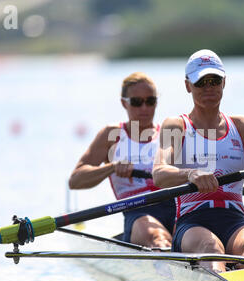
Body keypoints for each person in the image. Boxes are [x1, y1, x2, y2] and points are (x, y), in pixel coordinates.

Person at [152, 49, 244, 272]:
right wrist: (191, 174)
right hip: (193, 221)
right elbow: (159, 174)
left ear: (224, 82)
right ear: (187, 86)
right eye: (201, 82)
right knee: (211, 247)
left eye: (214, 80)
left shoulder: (241, 126)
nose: (209, 87)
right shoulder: (176, 125)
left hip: (234, 220)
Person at [69, 72, 175, 248]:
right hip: (138, 210)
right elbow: (76, 180)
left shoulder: (169, 134)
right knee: (159, 239)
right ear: (123, 103)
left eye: (150, 101)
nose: (144, 108)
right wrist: (111, 168)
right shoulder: (112, 136)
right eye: (136, 102)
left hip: (175, 206)